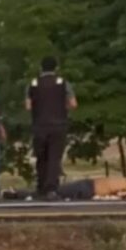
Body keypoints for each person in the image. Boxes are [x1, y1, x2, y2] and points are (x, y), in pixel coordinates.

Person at [26, 56, 77, 200]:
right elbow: (73, 104)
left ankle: (41, 187)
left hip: (39, 126)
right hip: (58, 125)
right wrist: (62, 108)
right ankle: (52, 189)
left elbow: (28, 106)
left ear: (41, 68)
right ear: (56, 68)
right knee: (54, 157)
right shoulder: (63, 83)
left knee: (41, 157)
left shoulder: (33, 84)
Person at [2, 176, 126, 201]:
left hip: (88, 189)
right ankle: (18, 193)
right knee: (54, 192)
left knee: (54, 193)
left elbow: (123, 195)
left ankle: (18, 193)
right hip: (87, 186)